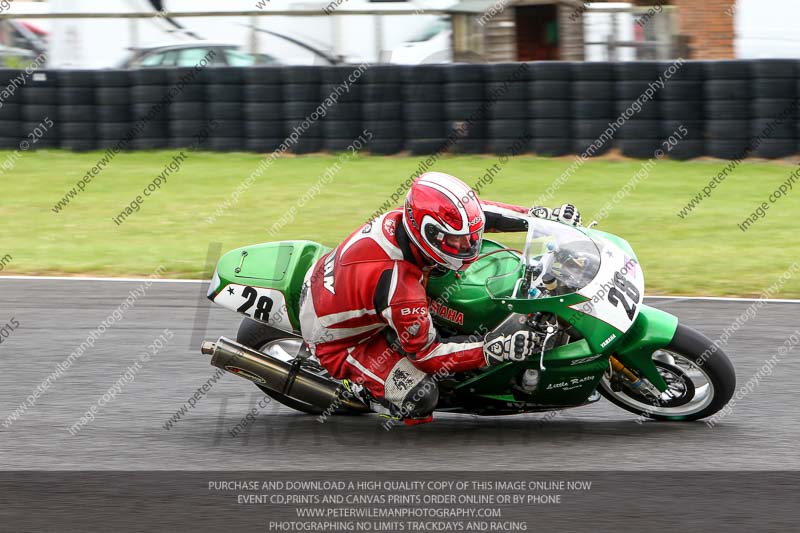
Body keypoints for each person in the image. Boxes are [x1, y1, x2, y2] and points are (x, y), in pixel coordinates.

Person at [298, 172, 581, 423]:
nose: (466, 245)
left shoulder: (410, 218)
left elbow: (481, 213)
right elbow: (427, 355)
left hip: (348, 285)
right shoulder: (401, 288)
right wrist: (494, 349)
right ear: (427, 234)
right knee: (421, 397)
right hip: (341, 341)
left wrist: (539, 216)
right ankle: (359, 388)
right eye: (454, 241)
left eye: (469, 237)